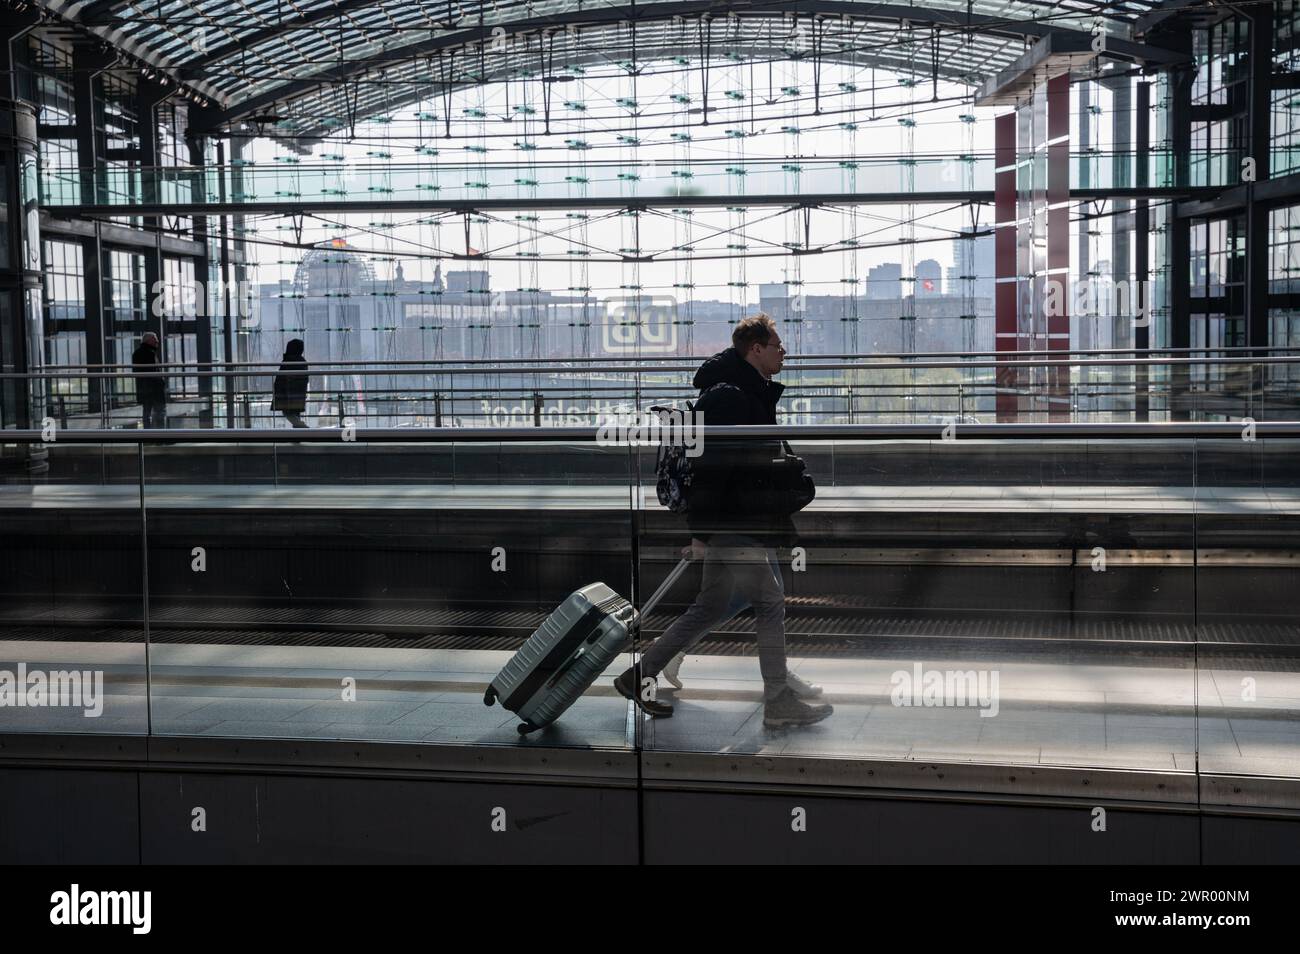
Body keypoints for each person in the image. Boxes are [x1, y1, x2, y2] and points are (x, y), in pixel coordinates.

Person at [615, 314, 833, 728]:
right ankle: (779, 702)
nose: (783, 352)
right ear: (755, 349)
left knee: (710, 606)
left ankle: (638, 674)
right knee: (769, 603)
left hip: (742, 518)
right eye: (777, 345)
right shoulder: (730, 398)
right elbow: (711, 470)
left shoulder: (748, 392)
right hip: (736, 521)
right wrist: (702, 533)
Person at [131, 331, 167, 428]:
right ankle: (161, 437)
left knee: (146, 413)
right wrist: (161, 383)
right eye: (155, 340)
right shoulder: (151, 354)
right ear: (148, 341)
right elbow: (154, 373)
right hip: (155, 391)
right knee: (159, 413)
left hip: (144, 390)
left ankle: (148, 436)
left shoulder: (137, 353)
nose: (157, 341)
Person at [272, 338, 310, 428]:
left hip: (287, 393)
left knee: (287, 412)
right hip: (298, 393)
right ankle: (299, 431)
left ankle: (302, 427)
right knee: (295, 413)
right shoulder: (302, 361)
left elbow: (281, 377)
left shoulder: (288, 361)